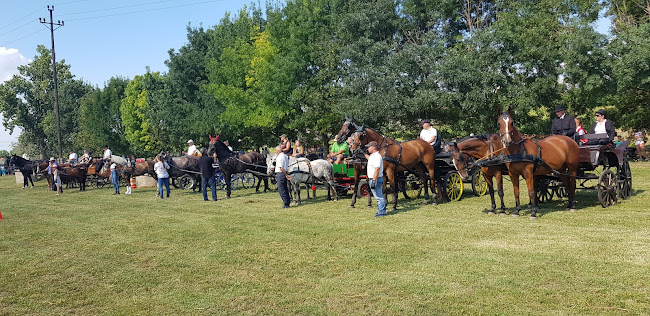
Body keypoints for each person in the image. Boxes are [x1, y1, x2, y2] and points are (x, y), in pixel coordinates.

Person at [365, 141, 386, 217]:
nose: (368, 148)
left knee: (379, 197)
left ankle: (382, 212)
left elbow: (377, 169)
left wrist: (374, 181)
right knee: (377, 196)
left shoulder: (377, 157)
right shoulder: (373, 156)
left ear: (373, 147)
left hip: (375, 179)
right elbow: (369, 159)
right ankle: (380, 211)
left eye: (369, 147)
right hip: (373, 178)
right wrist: (364, 154)